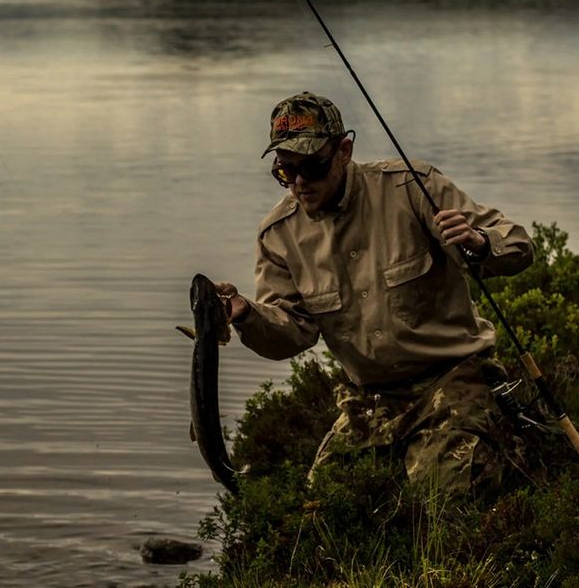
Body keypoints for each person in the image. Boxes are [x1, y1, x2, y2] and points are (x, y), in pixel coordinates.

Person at [217, 91, 535, 499]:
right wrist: (246, 314)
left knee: (448, 500)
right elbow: (291, 333)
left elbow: (519, 245)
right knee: (322, 513)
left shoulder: (412, 187)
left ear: (344, 150)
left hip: (453, 380)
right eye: (285, 172)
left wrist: (479, 242)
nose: (299, 183)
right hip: (367, 401)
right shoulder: (278, 235)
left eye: (312, 167)